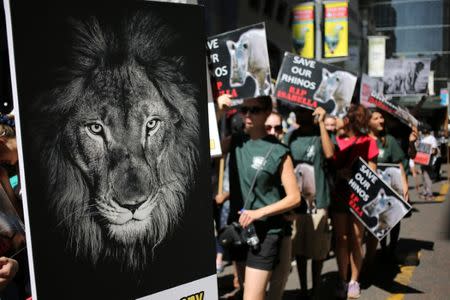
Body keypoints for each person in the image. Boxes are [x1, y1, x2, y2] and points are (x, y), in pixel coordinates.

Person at [220, 95, 301, 300]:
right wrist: (219, 111)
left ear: (267, 112)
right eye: (244, 110)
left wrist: (259, 212)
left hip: (265, 233)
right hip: (239, 229)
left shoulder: (279, 150)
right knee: (248, 290)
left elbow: (294, 198)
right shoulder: (235, 141)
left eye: (254, 110)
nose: (247, 115)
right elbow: (204, 148)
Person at [285, 107, 334, 299]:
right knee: (300, 250)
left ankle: (316, 289)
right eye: (297, 112)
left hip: (318, 203)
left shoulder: (319, 135)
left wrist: (322, 123)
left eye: (304, 112)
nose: (300, 115)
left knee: (318, 250)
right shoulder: (290, 137)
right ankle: (304, 289)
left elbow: (330, 155)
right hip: (296, 205)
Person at [330, 104, 378, 299]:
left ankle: (354, 281)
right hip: (339, 195)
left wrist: (356, 174)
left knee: (357, 240)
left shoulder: (369, 142)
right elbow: (329, 166)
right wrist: (338, 173)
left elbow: (373, 173)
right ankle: (343, 278)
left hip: (359, 197)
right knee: (341, 239)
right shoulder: (337, 141)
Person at [365, 109, 409, 269]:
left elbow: (399, 164)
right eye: (376, 118)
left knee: (394, 220)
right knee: (378, 221)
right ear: (368, 122)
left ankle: (392, 249)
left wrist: (404, 187)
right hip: (371, 190)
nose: (381, 120)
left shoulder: (389, 140)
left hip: (390, 189)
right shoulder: (363, 140)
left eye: (382, 117)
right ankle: (381, 249)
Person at [419, 124, 438, 200]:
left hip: (429, 161)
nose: (421, 131)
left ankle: (429, 194)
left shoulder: (431, 138)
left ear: (425, 130)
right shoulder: (423, 138)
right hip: (423, 160)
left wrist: (427, 153)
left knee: (427, 177)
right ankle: (425, 192)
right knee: (424, 177)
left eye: (422, 130)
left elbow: (434, 150)